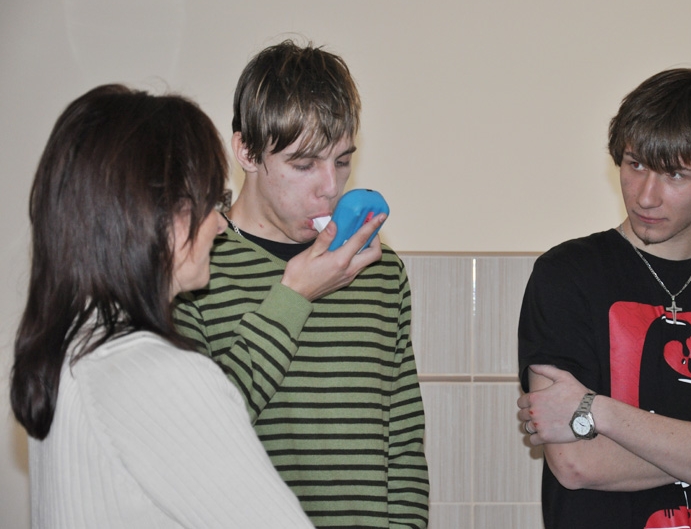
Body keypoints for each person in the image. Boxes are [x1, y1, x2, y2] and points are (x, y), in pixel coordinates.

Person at [10, 84, 314, 528]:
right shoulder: (158, 375)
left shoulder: (71, 347)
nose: (219, 225)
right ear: (157, 215)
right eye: (211, 202)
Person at [516, 68, 691, 528]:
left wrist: (596, 410)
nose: (646, 196)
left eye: (675, 174)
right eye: (635, 165)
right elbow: (577, 463)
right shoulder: (567, 274)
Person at [173, 40, 429, 528]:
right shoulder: (195, 270)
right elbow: (199, 434)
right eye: (304, 164)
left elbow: (402, 442)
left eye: (342, 161)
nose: (330, 187)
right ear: (247, 151)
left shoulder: (378, 269)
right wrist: (293, 297)